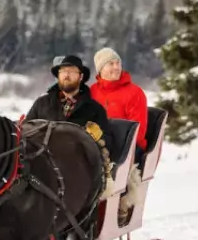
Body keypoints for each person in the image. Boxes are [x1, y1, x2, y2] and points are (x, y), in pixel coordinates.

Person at [26, 54, 114, 198]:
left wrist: (95, 138)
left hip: (77, 173)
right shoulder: (42, 103)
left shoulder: (94, 109)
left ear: (81, 76)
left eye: (72, 71)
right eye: (63, 71)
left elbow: (107, 142)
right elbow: (26, 131)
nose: (66, 75)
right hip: (42, 168)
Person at [88, 47, 149, 225]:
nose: (116, 67)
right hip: (97, 144)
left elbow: (138, 131)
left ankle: (120, 205)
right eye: (111, 64)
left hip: (128, 145)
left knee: (111, 166)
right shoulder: (91, 93)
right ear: (100, 69)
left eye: (118, 63)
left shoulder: (134, 93)